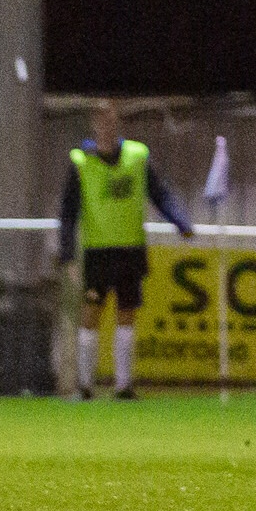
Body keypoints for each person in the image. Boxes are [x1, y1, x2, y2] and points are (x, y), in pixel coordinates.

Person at [58, 100, 195, 400]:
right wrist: (67, 253)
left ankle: (123, 385)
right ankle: (84, 386)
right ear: (93, 124)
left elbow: (159, 194)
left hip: (130, 249)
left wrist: (180, 221)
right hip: (97, 251)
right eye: (100, 120)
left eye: (110, 119)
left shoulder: (137, 156)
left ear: (116, 122)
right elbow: (68, 211)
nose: (106, 125)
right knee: (91, 314)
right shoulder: (81, 161)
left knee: (127, 314)